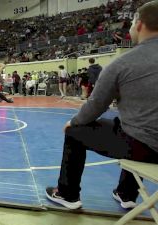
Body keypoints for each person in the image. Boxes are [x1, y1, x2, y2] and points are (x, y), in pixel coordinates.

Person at [45, 1, 158, 210]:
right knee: (134, 125)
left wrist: (74, 121)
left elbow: (96, 105)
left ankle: (67, 194)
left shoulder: (123, 63)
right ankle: (126, 193)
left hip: (144, 147)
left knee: (76, 130)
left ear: (139, 25)